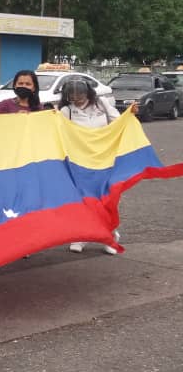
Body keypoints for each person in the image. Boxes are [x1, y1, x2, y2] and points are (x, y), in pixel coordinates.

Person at [59, 79, 137, 255]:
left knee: (105, 198)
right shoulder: (66, 111)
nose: (76, 99)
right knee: (84, 200)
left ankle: (110, 236)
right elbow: (58, 132)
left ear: (88, 93)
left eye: (80, 95)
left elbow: (118, 121)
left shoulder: (101, 104)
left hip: (105, 159)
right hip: (79, 162)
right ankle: (81, 236)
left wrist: (129, 114)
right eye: (72, 96)